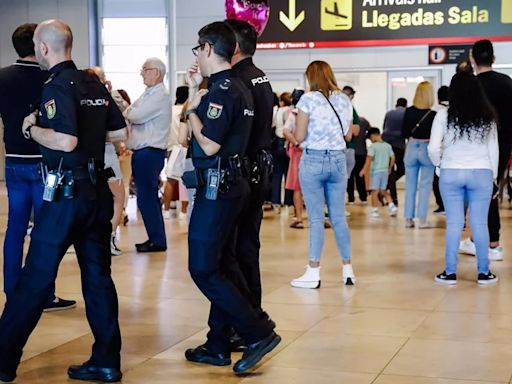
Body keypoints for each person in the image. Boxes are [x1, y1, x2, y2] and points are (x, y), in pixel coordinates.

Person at [0, 19, 126, 383]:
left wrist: (32, 127)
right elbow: (119, 132)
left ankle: (3, 359)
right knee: (99, 279)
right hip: (95, 194)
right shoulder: (92, 81)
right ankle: (106, 360)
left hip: (66, 195)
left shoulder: (55, 85)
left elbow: (65, 140)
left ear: (43, 47)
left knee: (34, 281)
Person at [183, 21, 280, 375]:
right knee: (224, 262)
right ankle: (224, 340)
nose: (196, 55)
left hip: (221, 185)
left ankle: (256, 330)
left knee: (205, 267)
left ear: (209, 48)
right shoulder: (245, 82)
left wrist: (192, 109)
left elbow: (208, 142)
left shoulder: (226, 88)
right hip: (235, 182)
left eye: (198, 48)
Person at [0, 23, 76, 312]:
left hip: (14, 162)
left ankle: (12, 291)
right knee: (45, 232)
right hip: (46, 164)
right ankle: (44, 294)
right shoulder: (51, 77)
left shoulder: (3, 77)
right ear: (38, 44)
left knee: (15, 228)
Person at [428, 73, 499, 285]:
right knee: (480, 223)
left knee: (454, 224)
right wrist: (493, 177)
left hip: (451, 172)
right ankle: (484, 273)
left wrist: (439, 165)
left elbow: (433, 148)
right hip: (481, 172)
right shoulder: (488, 116)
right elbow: (493, 150)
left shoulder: (443, 115)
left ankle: (449, 273)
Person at [290, 60, 355, 289]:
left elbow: (298, 136)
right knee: (338, 217)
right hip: (338, 159)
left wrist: (291, 133)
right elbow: (348, 136)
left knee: (317, 219)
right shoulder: (344, 99)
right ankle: (348, 269)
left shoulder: (307, 100)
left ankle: (313, 271)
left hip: (314, 160)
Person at [459, 39, 512, 261]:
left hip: (475, 147)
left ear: (472, 59)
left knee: (477, 193)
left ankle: (488, 243)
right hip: (502, 146)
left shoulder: (470, 85)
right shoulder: (507, 83)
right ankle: (492, 242)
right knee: (491, 190)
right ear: (493, 59)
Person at [125, 57, 171, 253]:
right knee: (145, 197)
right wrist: (130, 111)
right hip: (144, 152)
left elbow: (134, 115)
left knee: (147, 197)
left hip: (149, 152)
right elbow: (130, 110)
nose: (141, 73)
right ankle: (155, 238)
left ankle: (157, 239)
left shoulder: (159, 95)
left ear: (157, 73)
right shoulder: (149, 93)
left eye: (145, 69)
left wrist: (131, 112)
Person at [86, 66, 126, 256]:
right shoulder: (99, 101)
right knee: (115, 197)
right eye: (100, 77)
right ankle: (104, 237)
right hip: (104, 155)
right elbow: (121, 128)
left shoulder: (90, 99)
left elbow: (124, 112)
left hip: (100, 154)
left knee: (113, 196)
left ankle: (104, 236)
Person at [402, 81, 437, 228]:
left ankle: (408, 219)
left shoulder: (408, 111)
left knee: (410, 185)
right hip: (426, 148)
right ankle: (422, 220)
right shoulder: (433, 115)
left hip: (411, 147)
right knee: (425, 185)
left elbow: (403, 132)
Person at [163, 85, 188, 219]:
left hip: (171, 148)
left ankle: (166, 210)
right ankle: (183, 212)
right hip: (185, 148)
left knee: (170, 180)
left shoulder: (169, 111)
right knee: (185, 180)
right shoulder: (187, 110)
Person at [360, 128, 397, 218]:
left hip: (375, 172)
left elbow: (369, 159)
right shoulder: (387, 146)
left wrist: (364, 170)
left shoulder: (373, 147)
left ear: (373, 136)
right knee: (383, 190)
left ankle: (375, 210)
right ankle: (392, 206)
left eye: (370, 138)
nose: (371, 140)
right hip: (385, 171)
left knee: (374, 191)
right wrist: (390, 168)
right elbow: (393, 158)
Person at [283, 88, 305, 228]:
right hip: (312, 152)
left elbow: (286, 131)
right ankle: (318, 218)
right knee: (315, 186)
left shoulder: (293, 114)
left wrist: (296, 142)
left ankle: (299, 218)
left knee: (297, 187)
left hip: (297, 153)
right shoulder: (312, 114)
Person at [382, 97, 407, 206]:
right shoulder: (406, 113)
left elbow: (384, 127)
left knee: (390, 171)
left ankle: (391, 196)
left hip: (387, 144)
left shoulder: (389, 113)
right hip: (399, 145)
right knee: (402, 169)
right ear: (405, 105)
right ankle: (386, 191)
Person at [271, 92, 292, 212]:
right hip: (286, 142)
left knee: (277, 174)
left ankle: (276, 201)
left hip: (276, 142)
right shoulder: (289, 111)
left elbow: (273, 125)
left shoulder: (277, 111)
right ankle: (288, 201)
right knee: (288, 173)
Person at [432, 85, 449, 215]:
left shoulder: (436, 111)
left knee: (437, 180)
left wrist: (436, 162)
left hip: (439, 151)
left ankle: (442, 205)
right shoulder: (457, 110)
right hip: (452, 153)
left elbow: (433, 145)